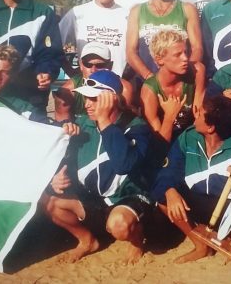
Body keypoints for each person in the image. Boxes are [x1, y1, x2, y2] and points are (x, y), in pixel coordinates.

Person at [41, 70, 153, 264]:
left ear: (112, 99)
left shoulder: (136, 127)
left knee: (119, 225)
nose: (87, 105)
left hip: (126, 196)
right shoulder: (83, 124)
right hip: (94, 199)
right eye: (85, 99)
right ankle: (87, 241)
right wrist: (57, 177)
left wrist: (105, 122)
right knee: (47, 200)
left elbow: (123, 165)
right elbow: (66, 162)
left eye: (94, 99)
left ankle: (137, 240)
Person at [151, 95, 231, 263]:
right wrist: (170, 190)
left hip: (229, 208)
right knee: (164, 198)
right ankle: (201, 246)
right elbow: (168, 170)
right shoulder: (188, 137)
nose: (195, 113)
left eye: (200, 113)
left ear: (210, 128)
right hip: (198, 202)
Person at [126, 0, 202, 82]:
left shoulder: (187, 9)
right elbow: (130, 52)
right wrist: (150, 78)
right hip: (146, 82)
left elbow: (197, 48)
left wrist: (185, 74)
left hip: (179, 82)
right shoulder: (137, 11)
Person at [59, 0, 129, 76]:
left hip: (117, 86)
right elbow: (55, 46)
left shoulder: (128, 16)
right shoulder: (77, 13)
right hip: (87, 86)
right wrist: (73, 74)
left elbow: (135, 55)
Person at [140, 29, 205, 146]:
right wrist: (169, 116)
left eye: (185, 52)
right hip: (165, 144)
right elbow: (159, 145)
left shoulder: (197, 71)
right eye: (177, 54)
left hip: (191, 137)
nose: (185, 58)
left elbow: (199, 115)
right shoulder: (149, 91)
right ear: (160, 59)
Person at [53, 41, 135, 122]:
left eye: (100, 65)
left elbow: (124, 122)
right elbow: (62, 128)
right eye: (88, 64)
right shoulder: (67, 92)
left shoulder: (124, 89)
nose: (93, 70)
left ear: (110, 65)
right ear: (81, 65)